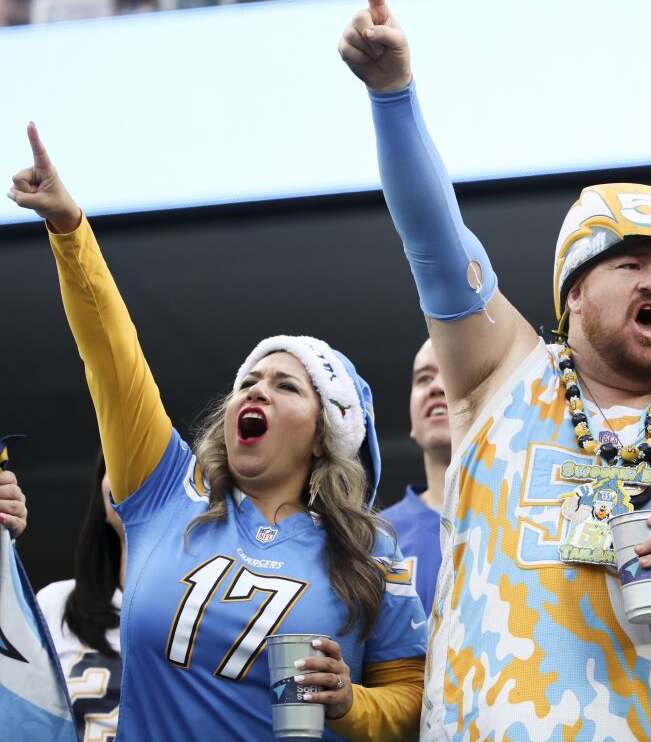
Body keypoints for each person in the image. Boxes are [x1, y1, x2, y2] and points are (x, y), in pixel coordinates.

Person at [339, 0, 651, 739]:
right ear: (574, 295)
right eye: (630, 264)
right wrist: (393, 93)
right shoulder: (499, 374)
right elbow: (433, 237)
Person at [7, 123, 427, 741]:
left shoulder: (371, 556)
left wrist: (349, 704)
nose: (255, 390)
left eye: (287, 385)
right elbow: (113, 360)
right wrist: (70, 230)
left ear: (324, 438)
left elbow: (416, 702)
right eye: (248, 381)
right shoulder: (162, 490)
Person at [36, 457, 126, 741]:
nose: (132, 475)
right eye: (120, 464)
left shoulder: (210, 613)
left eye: (150, 467)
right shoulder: (56, 603)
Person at [378, 339, 448, 617]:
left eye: (451, 372)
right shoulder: (373, 539)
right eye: (424, 378)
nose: (436, 387)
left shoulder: (520, 522)